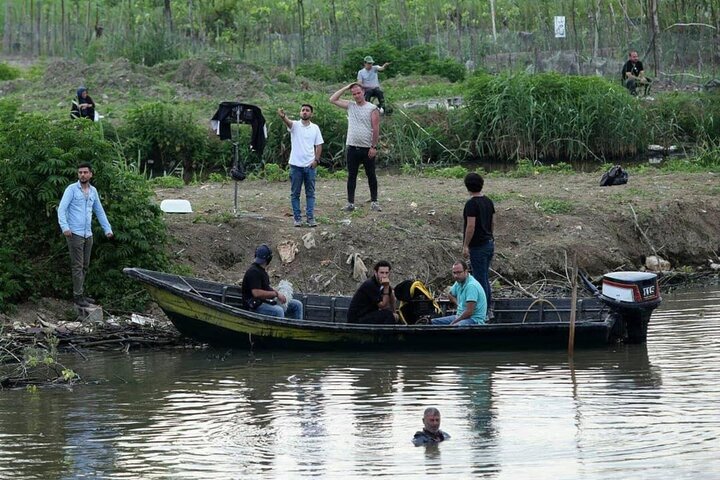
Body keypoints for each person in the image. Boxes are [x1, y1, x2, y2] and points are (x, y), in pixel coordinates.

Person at [57, 162, 114, 307]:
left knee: (85, 265)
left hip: (88, 233)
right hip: (74, 233)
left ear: (90, 174)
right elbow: (61, 209)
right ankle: (77, 296)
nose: (82, 175)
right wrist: (65, 227)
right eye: (80, 172)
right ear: (78, 174)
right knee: (77, 265)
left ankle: (81, 292)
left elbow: (99, 211)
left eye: (85, 172)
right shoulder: (71, 189)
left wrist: (107, 229)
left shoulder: (93, 191)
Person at [329, 82, 382, 212]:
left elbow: (375, 128)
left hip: (367, 148)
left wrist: (373, 146)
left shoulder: (372, 108)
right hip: (352, 147)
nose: (357, 96)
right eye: (354, 94)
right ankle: (350, 203)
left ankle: (374, 201)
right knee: (351, 176)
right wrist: (347, 87)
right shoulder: (350, 106)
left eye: (358, 93)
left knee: (371, 175)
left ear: (363, 92)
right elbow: (332, 99)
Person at [278, 104, 324, 228]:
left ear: (311, 114)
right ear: (300, 112)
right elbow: (288, 123)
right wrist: (283, 117)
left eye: (307, 110)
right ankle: (297, 219)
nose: (304, 112)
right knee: (295, 194)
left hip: (310, 166)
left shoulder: (315, 128)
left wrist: (316, 161)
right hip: (295, 166)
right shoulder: (295, 125)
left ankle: (310, 218)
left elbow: (319, 145)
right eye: (303, 110)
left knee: (310, 194)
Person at [462, 172, 495, 318]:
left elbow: (471, 226)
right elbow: (493, 222)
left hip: (478, 246)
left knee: (480, 279)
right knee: (484, 277)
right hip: (488, 243)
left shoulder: (471, 204)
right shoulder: (488, 201)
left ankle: (484, 311)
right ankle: (487, 308)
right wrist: (491, 236)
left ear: (467, 187)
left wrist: (465, 245)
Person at [241, 244, 304, 320]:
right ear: (269, 258)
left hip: (263, 301)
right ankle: (280, 330)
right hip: (253, 305)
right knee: (278, 311)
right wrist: (276, 294)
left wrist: (279, 293)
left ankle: (296, 328)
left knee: (297, 305)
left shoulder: (261, 271)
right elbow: (256, 293)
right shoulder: (253, 272)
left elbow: (266, 287)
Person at [431, 260, 487, 326]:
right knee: (432, 322)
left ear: (466, 271)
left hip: (474, 320)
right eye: (454, 273)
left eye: (459, 272)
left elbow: (469, 312)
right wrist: (458, 303)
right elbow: (450, 294)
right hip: (460, 316)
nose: (456, 276)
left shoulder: (471, 286)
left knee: (454, 327)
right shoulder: (459, 282)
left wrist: (454, 322)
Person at [346, 260, 398, 324]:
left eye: (386, 273)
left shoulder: (383, 283)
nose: (384, 276)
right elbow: (382, 306)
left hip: (369, 314)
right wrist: (386, 287)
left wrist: (394, 312)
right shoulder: (370, 284)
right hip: (357, 319)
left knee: (390, 314)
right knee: (388, 315)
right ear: (376, 272)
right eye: (381, 273)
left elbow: (392, 296)